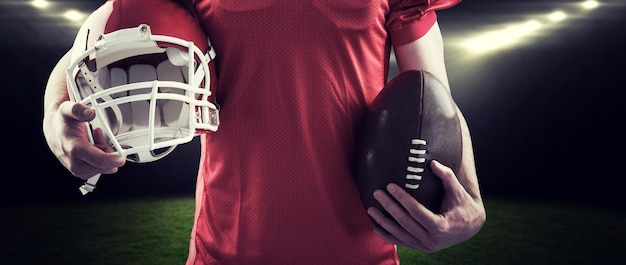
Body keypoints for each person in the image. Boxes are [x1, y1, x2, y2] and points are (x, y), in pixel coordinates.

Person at [42, 0, 486, 264]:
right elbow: (103, 30)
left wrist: (472, 202)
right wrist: (55, 116)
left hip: (360, 253)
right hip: (226, 250)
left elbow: (435, 96)